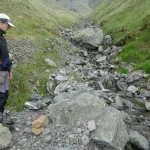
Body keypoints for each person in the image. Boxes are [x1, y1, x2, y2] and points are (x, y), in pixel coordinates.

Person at [0, 14, 14, 124]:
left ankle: (1, 115)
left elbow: (5, 56)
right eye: (7, 25)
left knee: (5, 93)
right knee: (1, 94)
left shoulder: (2, 37)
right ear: (1, 23)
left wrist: (9, 71)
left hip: (4, 70)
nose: (8, 28)